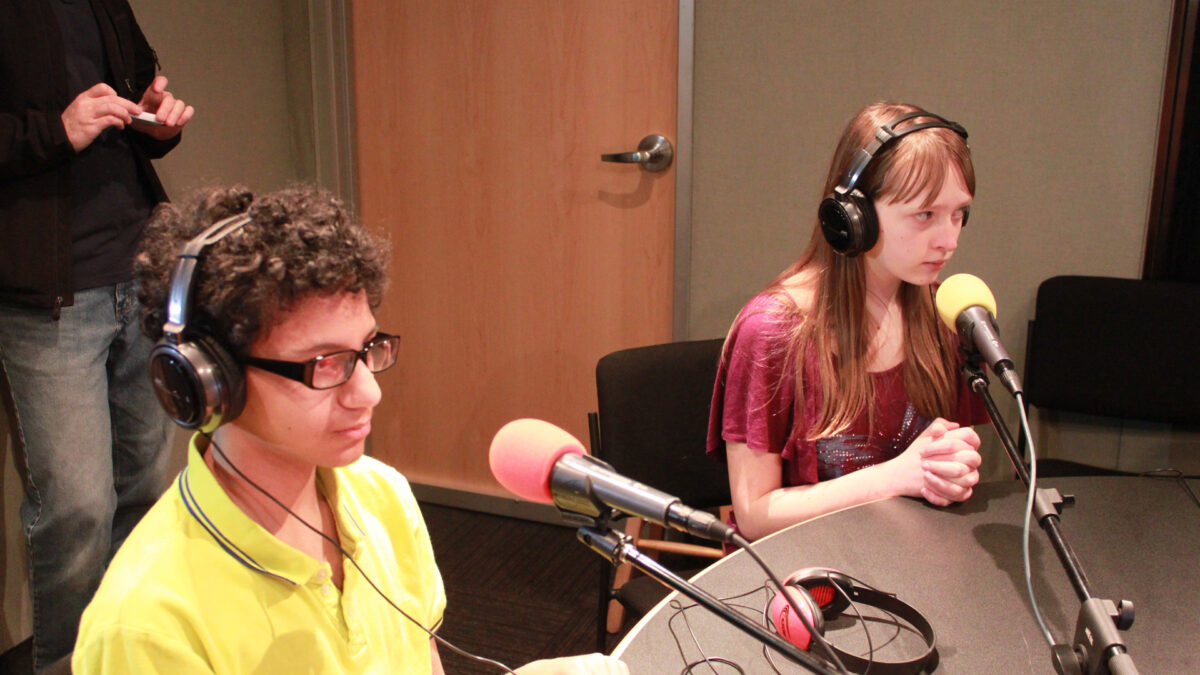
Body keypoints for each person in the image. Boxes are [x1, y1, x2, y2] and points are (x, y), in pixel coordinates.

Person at [71, 185, 626, 675]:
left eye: (366, 350)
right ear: (210, 381)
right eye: (325, 364)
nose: (369, 392)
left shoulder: (381, 493)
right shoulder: (147, 626)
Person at [0, 0, 193, 669]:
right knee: (76, 509)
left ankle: (134, 656)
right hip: (49, 291)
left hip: (139, 267)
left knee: (144, 492)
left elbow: (142, 85)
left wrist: (158, 117)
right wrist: (58, 129)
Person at [707, 102, 988, 542]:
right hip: (806, 575)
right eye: (925, 215)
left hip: (913, 554)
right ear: (854, 216)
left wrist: (951, 469)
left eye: (960, 214)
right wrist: (895, 478)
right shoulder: (772, 332)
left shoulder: (944, 313)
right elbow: (755, 515)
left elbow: (943, 460)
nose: (949, 240)